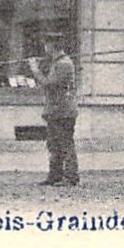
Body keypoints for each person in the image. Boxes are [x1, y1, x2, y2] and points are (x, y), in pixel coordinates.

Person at [29, 32, 79, 186]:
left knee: (64, 144)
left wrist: (35, 70)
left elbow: (49, 84)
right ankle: (55, 176)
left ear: (52, 46)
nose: (44, 47)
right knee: (53, 144)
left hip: (63, 111)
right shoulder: (57, 62)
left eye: (46, 44)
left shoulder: (63, 64)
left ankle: (71, 177)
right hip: (56, 111)